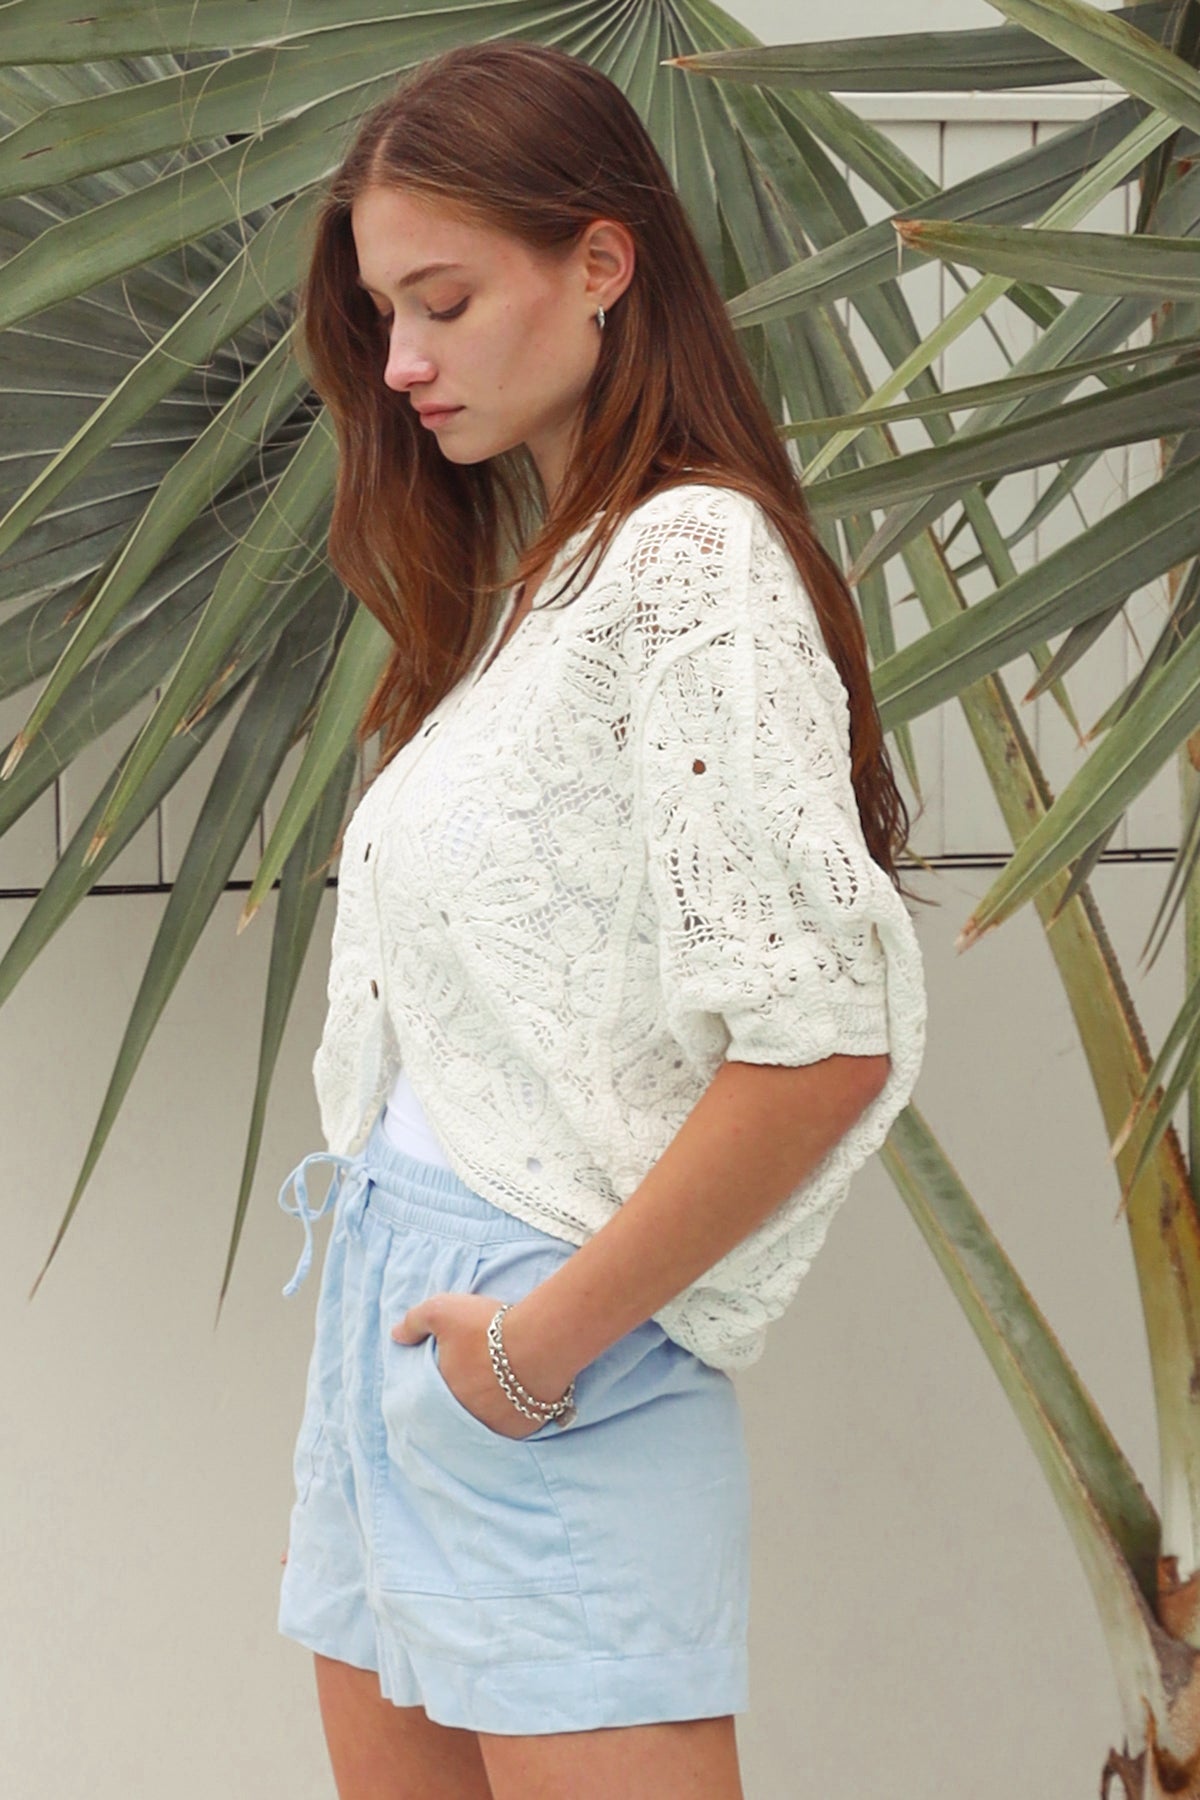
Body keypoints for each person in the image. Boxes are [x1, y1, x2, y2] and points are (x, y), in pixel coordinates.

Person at [273, 37, 927, 1800]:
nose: (402, 364)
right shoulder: (543, 582)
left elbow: (822, 1043)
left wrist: (536, 1346)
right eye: (383, 316)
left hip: (541, 1345)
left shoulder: (690, 567)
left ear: (601, 263)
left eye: (444, 303)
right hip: (400, 1312)